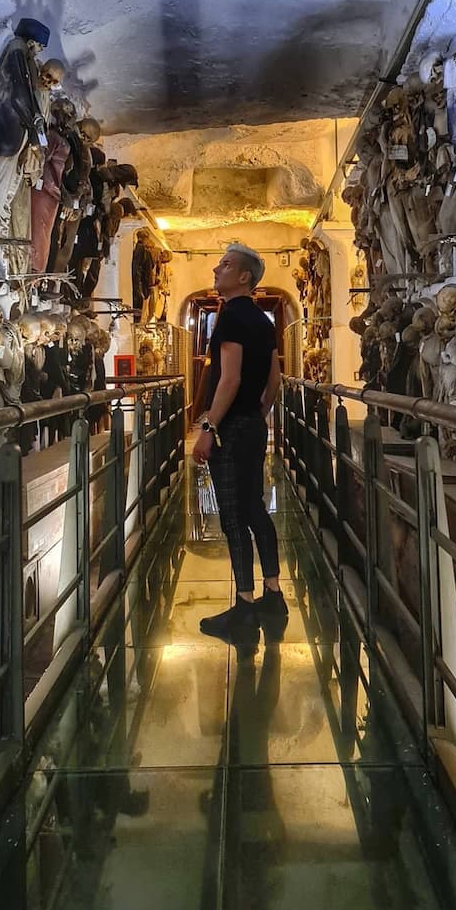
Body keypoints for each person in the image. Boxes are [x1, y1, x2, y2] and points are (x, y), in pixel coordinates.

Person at [193, 243, 287, 644]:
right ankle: (273, 593)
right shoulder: (264, 323)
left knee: (232, 516)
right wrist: (258, 414)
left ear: (244, 276)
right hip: (251, 424)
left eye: (226, 265)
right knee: (255, 509)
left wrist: (209, 428)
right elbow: (275, 381)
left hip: (230, 429)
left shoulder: (230, 317)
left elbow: (228, 379)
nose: (217, 269)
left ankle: (245, 608)